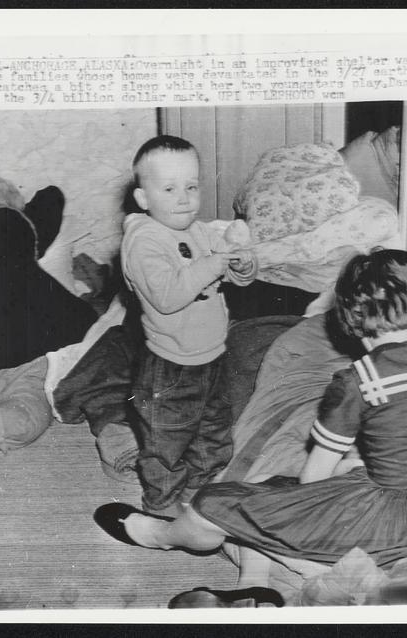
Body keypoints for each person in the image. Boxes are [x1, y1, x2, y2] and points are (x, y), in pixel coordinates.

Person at [94, 248, 407, 603]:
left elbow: (313, 480)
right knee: (275, 496)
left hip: (386, 516)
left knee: (224, 502)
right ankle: (263, 583)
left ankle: (165, 537)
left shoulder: (358, 380)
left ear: (351, 321)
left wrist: (347, 470)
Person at [120, 135, 258, 515]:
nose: (183, 198)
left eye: (191, 186)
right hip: (170, 366)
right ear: (143, 199)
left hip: (212, 356)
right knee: (166, 439)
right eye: (169, 188)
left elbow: (231, 275)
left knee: (212, 432)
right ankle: (161, 504)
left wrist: (242, 266)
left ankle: (201, 490)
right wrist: (213, 264)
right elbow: (167, 296)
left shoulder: (197, 231)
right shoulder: (143, 241)